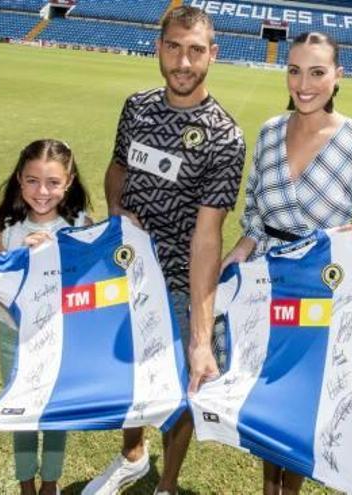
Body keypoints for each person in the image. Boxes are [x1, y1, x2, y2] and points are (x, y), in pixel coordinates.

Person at [218, 32, 352, 495]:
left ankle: (290, 491)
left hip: (321, 289)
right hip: (268, 284)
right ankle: (268, 489)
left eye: (317, 72)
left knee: (301, 401)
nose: (304, 83)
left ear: (338, 76)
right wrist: (238, 252)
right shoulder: (270, 131)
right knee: (266, 390)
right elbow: (255, 213)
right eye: (295, 70)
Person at [82, 6, 245, 495]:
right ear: (159, 48)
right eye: (174, 47)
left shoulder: (224, 136)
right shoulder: (136, 107)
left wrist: (200, 335)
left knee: (179, 393)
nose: (183, 62)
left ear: (212, 54)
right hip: (126, 276)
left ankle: (167, 483)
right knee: (132, 377)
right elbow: (117, 170)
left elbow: (208, 236)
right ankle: (132, 455)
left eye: (196, 50)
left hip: (176, 284)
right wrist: (116, 211)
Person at [0, 139, 91, 495]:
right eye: (32, 180)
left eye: (52, 182)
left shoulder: (79, 224)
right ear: (19, 179)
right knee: (21, 411)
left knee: (56, 411)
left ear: (69, 181)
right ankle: (26, 485)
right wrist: (18, 264)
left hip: (61, 337)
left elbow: (87, 288)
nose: (42, 191)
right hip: (14, 335)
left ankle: (50, 482)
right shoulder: (9, 225)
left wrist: (56, 254)